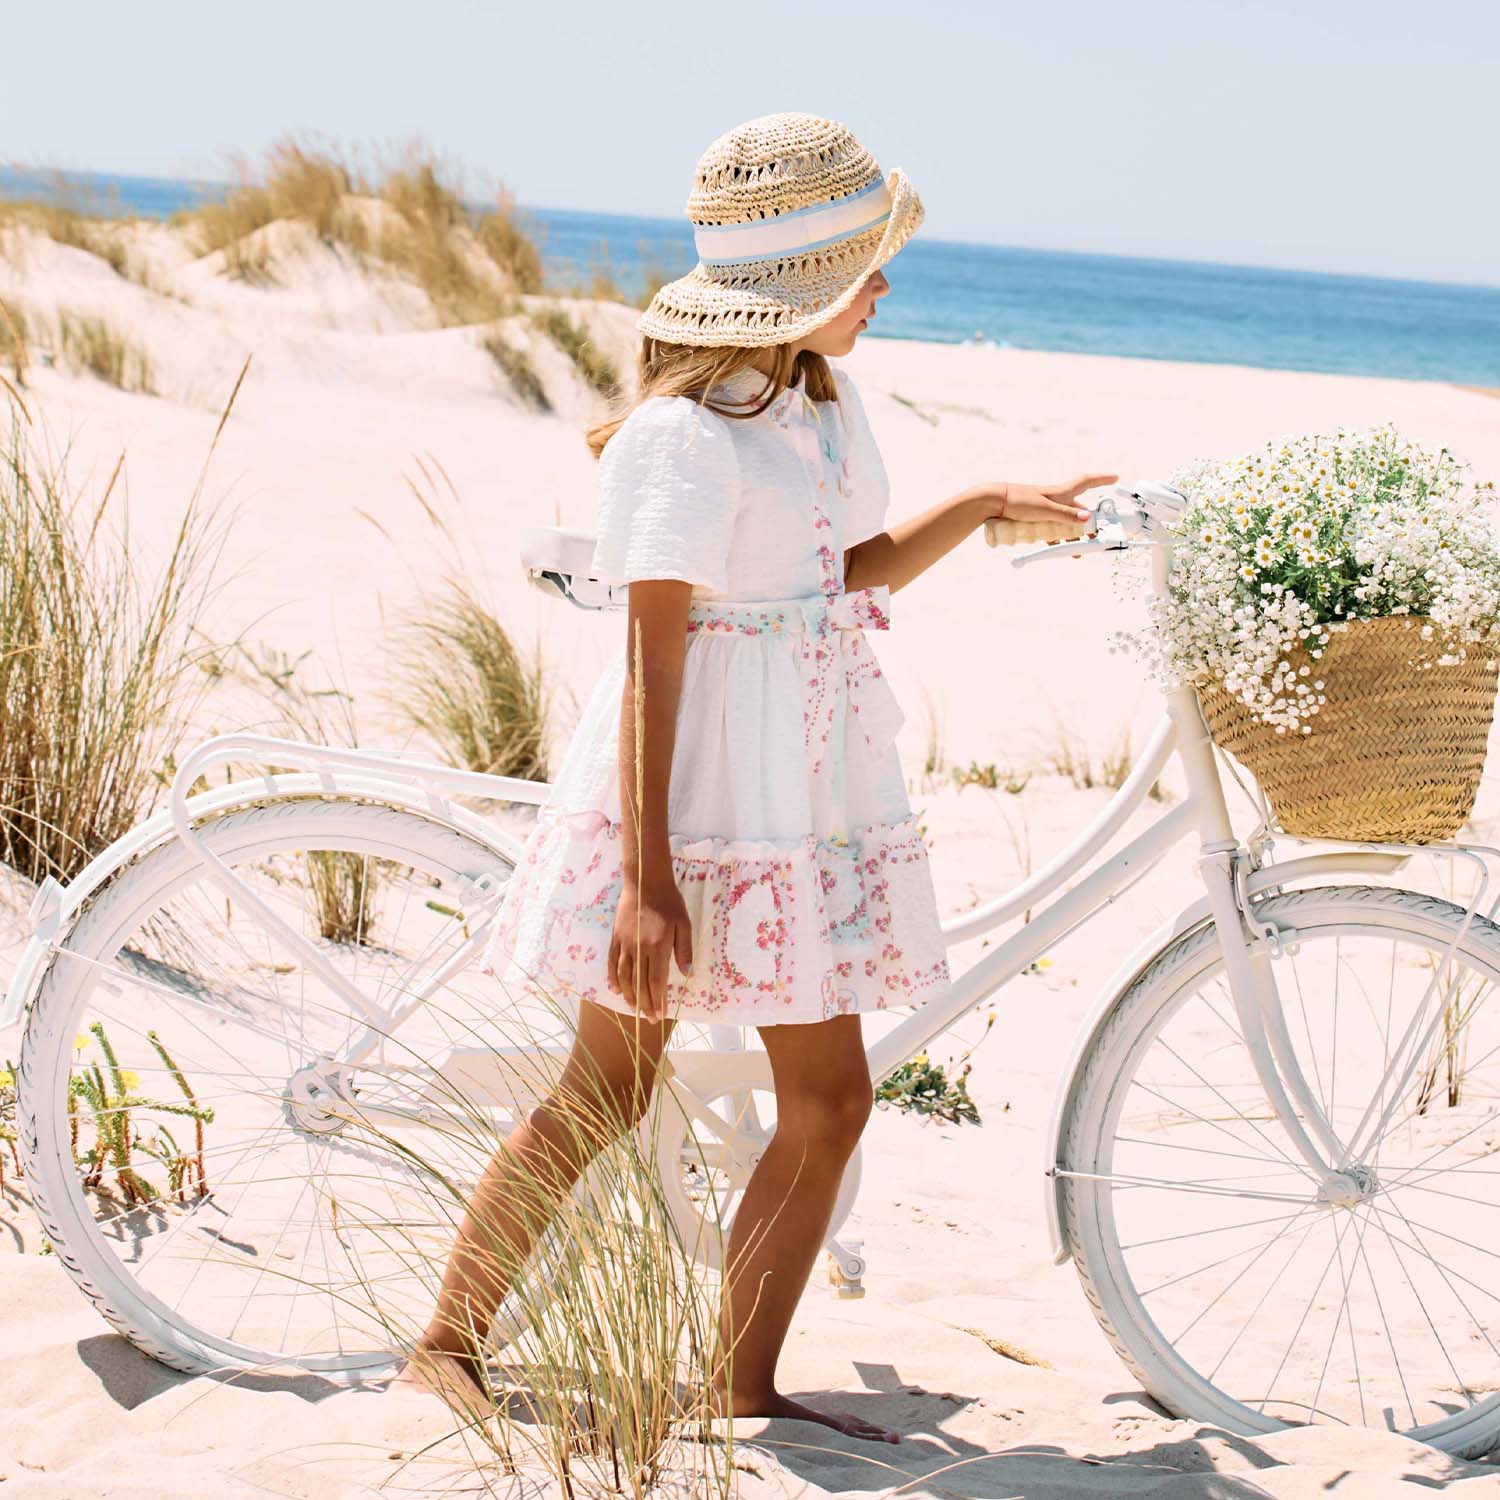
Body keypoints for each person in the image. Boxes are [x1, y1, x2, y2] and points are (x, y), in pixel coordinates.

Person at [394, 111, 1112, 1444]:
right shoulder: (681, 442)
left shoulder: (816, 407)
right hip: (697, 805)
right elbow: (655, 661)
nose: (885, 289)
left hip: (804, 795)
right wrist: (649, 883)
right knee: (609, 1088)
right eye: (867, 266)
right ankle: (448, 1339)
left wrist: (988, 502)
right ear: (798, 281)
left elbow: (833, 581)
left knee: (827, 1100)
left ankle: (738, 1381)